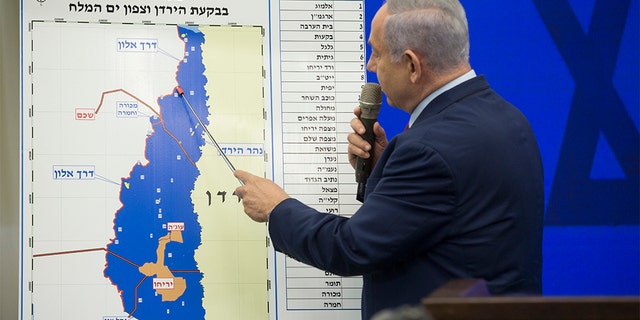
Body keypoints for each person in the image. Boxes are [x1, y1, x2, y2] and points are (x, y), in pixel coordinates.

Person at [234, 0, 544, 319]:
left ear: (412, 64)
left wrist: (276, 208)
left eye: (377, 53)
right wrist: (384, 168)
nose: (371, 65)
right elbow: (443, 213)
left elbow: (351, 248)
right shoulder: (508, 119)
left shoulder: (428, 148)